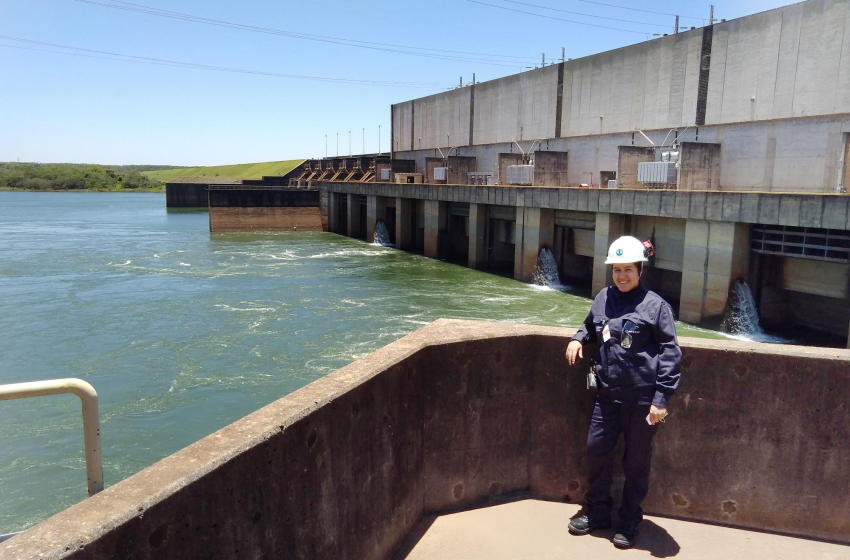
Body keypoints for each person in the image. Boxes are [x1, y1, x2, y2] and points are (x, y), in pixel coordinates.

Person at [565, 235, 682, 549]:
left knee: (636, 463)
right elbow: (592, 325)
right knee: (596, 451)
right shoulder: (604, 296)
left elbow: (671, 353)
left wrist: (661, 399)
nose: (622, 276)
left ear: (639, 269)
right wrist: (578, 338)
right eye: (617, 270)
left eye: (628, 269)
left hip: (642, 401)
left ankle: (630, 521)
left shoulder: (656, 306)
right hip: (607, 395)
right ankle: (597, 512)